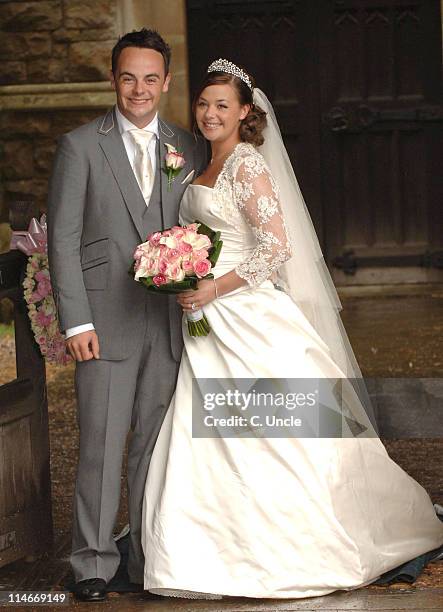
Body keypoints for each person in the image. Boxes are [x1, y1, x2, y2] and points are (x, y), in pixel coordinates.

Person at [140, 59, 443, 599]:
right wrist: (176, 266)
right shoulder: (198, 165)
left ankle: (301, 545)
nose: (210, 113)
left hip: (246, 314)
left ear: (245, 113)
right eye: (204, 103)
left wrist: (213, 286)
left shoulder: (247, 165)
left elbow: (277, 247)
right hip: (204, 321)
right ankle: (210, 551)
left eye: (222, 105)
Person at [47, 29, 207, 602]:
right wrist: (76, 322)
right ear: (114, 79)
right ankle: (91, 561)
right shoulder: (80, 146)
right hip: (104, 322)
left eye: (150, 78)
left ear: (165, 82)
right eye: (128, 76)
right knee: (101, 446)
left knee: (152, 451)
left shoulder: (187, 147)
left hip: (167, 325)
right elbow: (62, 240)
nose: (139, 88)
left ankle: (143, 556)